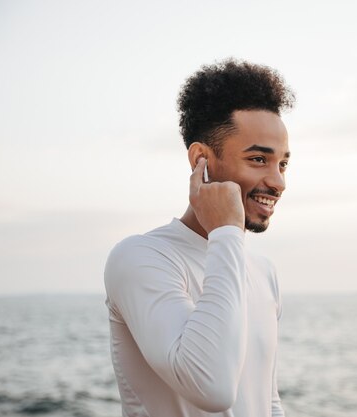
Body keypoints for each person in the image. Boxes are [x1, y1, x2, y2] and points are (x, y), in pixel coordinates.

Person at [104, 58, 295, 417]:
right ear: (201, 160)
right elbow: (214, 388)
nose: (278, 181)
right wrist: (225, 231)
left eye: (283, 164)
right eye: (258, 159)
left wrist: (227, 240)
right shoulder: (141, 258)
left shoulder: (262, 270)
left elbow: (267, 402)